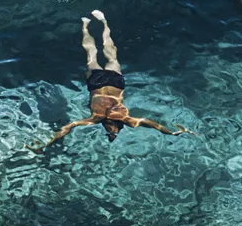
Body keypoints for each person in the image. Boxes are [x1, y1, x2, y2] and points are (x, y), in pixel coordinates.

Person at [30, 10, 195, 151]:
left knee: (91, 53)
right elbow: (151, 123)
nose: (110, 130)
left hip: (96, 83)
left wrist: (48, 142)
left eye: (108, 131)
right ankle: (103, 21)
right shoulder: (126, 119)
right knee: (110, 50)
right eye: (113, 131)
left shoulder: (96, 118)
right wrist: (171, 132)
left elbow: (69, 126)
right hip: (115, 83)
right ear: (118, 128)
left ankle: (85, 26)